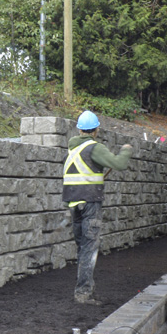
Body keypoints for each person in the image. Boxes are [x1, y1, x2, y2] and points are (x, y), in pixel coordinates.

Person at [63, 110, 133, 305]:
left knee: (82, 248)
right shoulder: (95, 148)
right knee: (89, 248)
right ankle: (83, 293)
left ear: (79, 129)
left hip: (73, 204)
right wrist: (126, 150)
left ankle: (84, 289)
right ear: (96, 130)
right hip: (90, 205)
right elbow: (119, 164)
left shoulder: (72, 149)